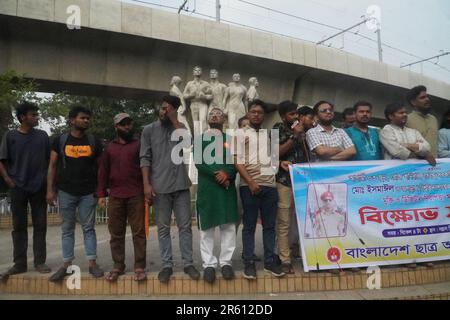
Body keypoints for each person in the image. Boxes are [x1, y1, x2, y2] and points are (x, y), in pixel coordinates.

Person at [140, 95, 200, 283]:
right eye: (162, 108)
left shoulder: (179, 128)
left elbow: (188, 144)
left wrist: (175, 120)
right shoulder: (148, 130)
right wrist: (146, 185)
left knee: (185, 227)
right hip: (159, 187)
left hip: (181, 185)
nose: (164, 111)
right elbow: (145, 158)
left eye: (168, 109)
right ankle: (167, 265)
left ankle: (188, 263)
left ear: (174, 110)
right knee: (163, 228)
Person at [47, 105, 104, 282]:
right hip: (66, 192)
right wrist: (50, 190)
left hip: (88, 192)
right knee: (67, 230)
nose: (86, 121)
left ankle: (92, 264)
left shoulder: (94, 141)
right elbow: (52, 165)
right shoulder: (60, 140)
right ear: (72, 120)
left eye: (88, 118)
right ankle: (66, 265)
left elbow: (102, 168)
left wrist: (101, 191)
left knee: (89, 228)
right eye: (82, 118)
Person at [380, 102, 436, 269]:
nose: (404, 115)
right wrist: (420, 154)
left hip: (417, 183)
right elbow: (396, 152)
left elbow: (427, 147)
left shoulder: (413, 131)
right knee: (399, 220)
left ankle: (423, 255)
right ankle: (404, 256)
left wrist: (411, 148)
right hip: (396, 182)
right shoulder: (386, 131)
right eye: (400, 113)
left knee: (417, 218)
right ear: (391, 116)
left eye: (405, 113)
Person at [234, 99, 285, 280]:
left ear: (264, 116)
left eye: (260, 112)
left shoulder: (268, 135)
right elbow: (237, 161)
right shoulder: (240, 133)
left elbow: (271, 159)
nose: (256, 115)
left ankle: (270, 262)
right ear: (248, 114)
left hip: (270, 186)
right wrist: (251, 182)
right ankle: (249, 263)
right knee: (248, 226)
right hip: (249, 186)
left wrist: (281, 163)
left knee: (269, 226)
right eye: (253, 112)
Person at [0, 102, 51, 281]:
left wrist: (49, 186)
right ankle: (19, 264)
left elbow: (50, 161)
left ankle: (39, 262)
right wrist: (8, 180)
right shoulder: (10, 136)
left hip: (39, 187)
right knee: (19, 227)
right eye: (33, 114)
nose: (37, 117)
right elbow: (2, 159)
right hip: (18, 188)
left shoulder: (43, 136)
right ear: (23, 117)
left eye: (36, 114)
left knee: (40, 226)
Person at [96, 113, 147, 282]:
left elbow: (146, 167)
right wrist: (101, 194)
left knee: (138, 232)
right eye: (123, 124)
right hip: (116, 195)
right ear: (116, 127)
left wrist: (148, 188)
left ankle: (139, 266)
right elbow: (103, 171)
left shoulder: (138, 145)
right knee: (116, 233)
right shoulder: (109, 148)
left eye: (129, 124)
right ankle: (118, 265)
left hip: (136, 194)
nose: (127, 127)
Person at [194, 108, 239, 284]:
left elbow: (235, 162)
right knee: (206, 228)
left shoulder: (230, 140)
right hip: (208, 189)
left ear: (224, 120)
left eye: (218, 114)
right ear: (207, 119)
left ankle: (226, 262)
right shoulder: (199, 140)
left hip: (226, 189)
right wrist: (217, 174)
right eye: (211, 114)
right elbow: (199, 162)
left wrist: (227, 174)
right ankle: (209, 265)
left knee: (228, 226)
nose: (214, 115)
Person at [272, 101, 314, 274]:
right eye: (291, 114)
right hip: (285, 182)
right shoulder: (277, 129)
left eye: (296, 113)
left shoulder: (304, 131)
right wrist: (294, 137)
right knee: (284, 222)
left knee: (306, 220)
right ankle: (285, 259)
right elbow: (275, 153)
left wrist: (302, 134)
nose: (296, 117)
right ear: (283, 116)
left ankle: (309, 256)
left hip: (303, 182)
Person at [406, 85, 438, 157]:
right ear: (413, 102)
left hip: (435, 164)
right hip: (416, 165)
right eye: (422, 97)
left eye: (427, 96)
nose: (427, 99)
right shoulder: (406, 119)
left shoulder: (434, 119)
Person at [183, 66, 213, 134]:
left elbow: (211, 96)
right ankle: (197, 141)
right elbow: (184, 95)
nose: (198, 72)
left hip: (202, 104)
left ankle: (203, 138)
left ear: (201, 72)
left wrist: (204, 96)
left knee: (203, 120)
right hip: (193, 104)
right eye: (196, 70)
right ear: (193, 72)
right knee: (195, 123)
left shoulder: (206, 83)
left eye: (199, 70)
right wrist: (190, 95)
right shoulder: (189, 83)